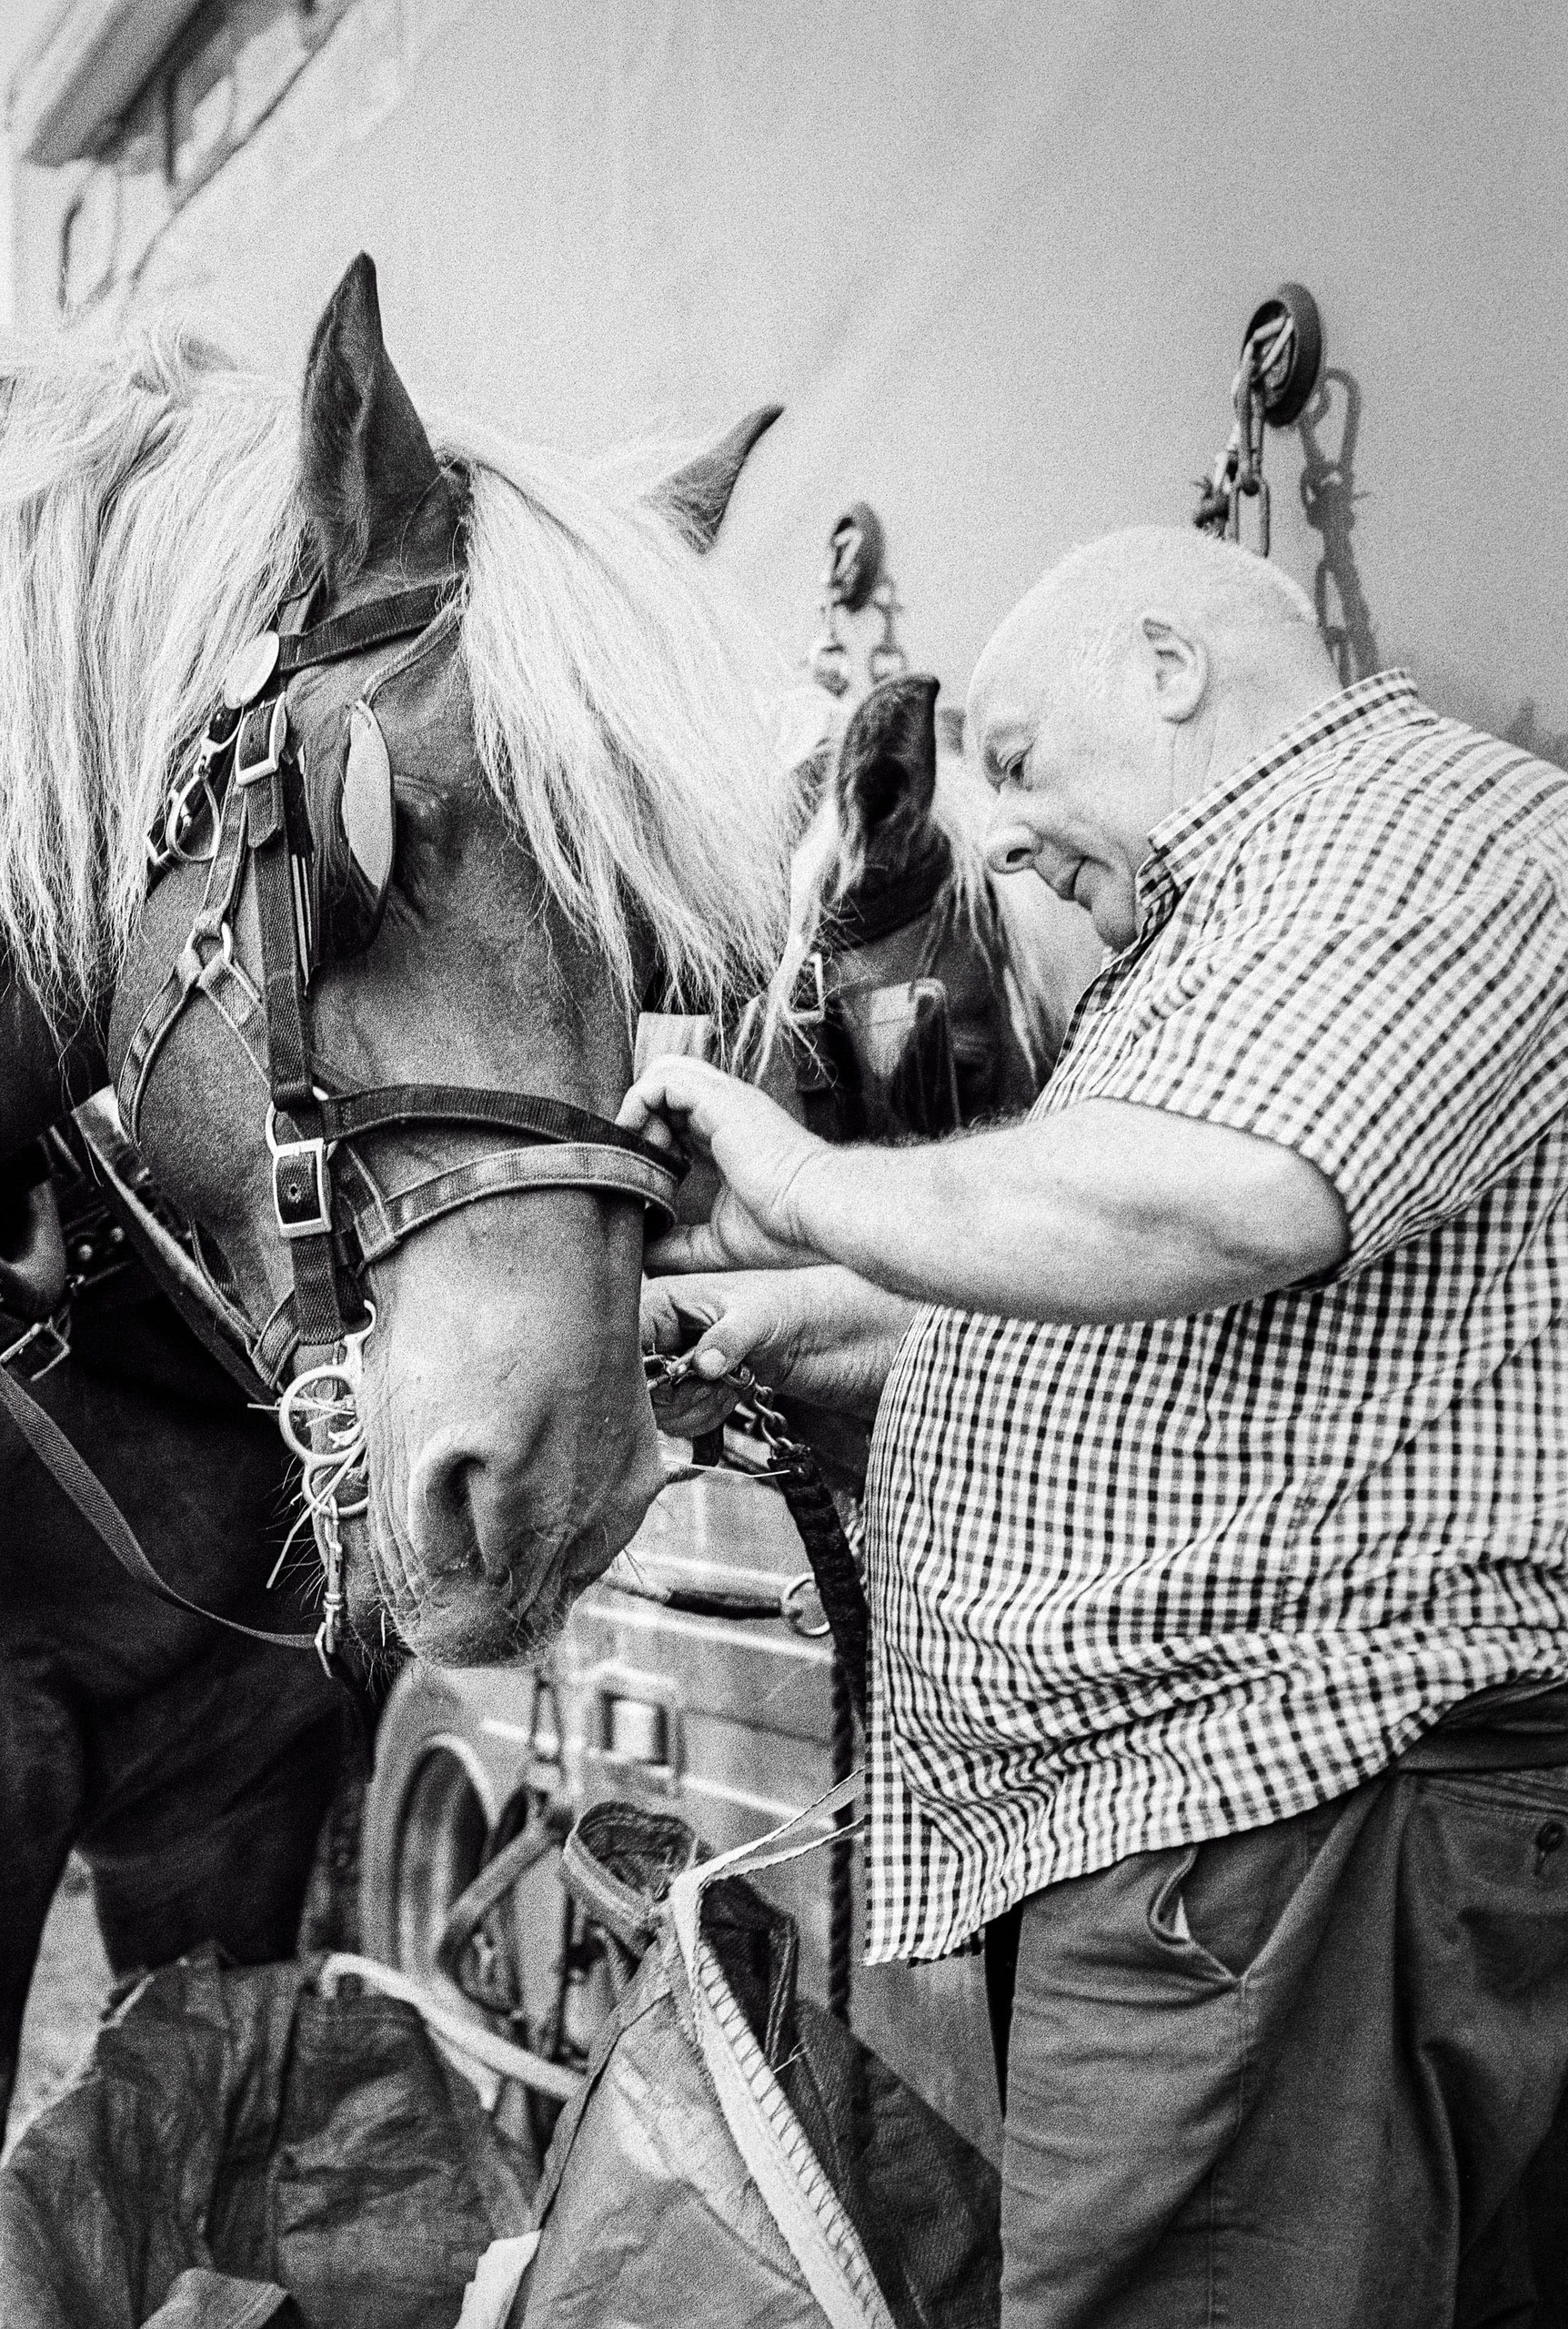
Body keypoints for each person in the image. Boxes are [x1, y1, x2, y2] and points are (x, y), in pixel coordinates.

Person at [628, 527, 1568, 2329]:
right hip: (1256, 1853)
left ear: (1168, 664)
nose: (990, 834)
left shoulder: (1414, 836)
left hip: (1290, 1832)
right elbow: (1163, 1338)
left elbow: (1216, 1207)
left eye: (1008, 754)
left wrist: (812, 1176)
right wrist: (786, 1281)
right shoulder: (1257, 900)